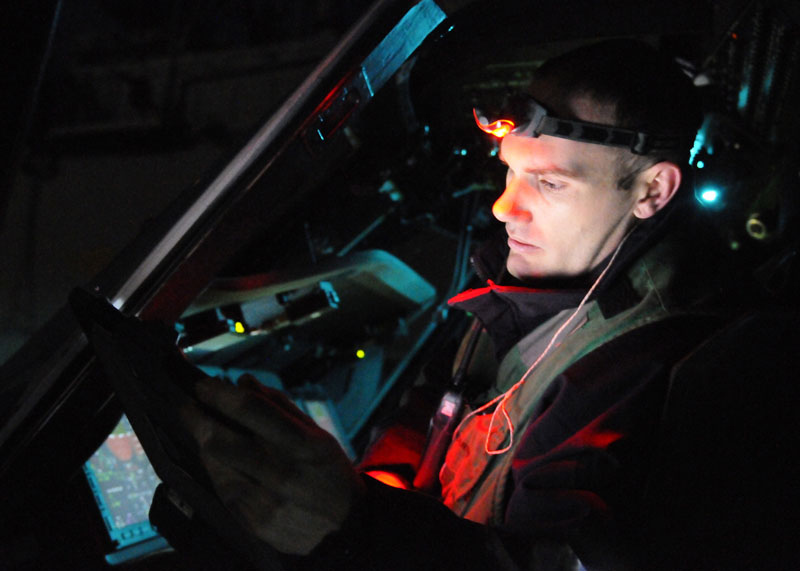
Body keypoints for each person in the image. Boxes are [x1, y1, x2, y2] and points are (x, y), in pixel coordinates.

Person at [178, 39, 747, 569]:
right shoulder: (530, 289)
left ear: (652, 191)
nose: (504, 207)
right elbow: (434, 407)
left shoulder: (654, 372)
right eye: (510, 170)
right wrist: (371, 488)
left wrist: (356, 525)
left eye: (549, 184)